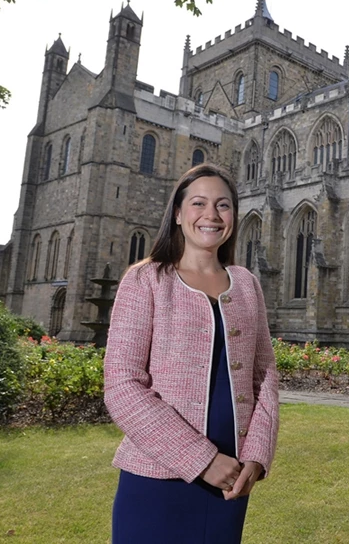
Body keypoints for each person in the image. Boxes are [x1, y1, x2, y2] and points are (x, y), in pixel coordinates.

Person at [104, 164, 279, 544]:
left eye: (223, 205)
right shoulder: (146, 279)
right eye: (198, 203)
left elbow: (264, 375)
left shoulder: (247, 284)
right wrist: (201, 460)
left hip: (231, 480)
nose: (212, 215)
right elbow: (122, 385)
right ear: (179, 214)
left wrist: (257, 454)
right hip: (156, 477)